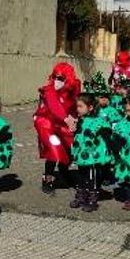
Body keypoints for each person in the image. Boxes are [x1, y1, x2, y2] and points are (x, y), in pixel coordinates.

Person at [34, 63, 80, 194]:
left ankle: (64, 172)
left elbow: (76, 102)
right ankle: (48, 179)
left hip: (64, 122)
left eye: (61, 78)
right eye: (55, 77)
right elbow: (54, 105)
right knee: (54, 150)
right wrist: (67, 119)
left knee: (68, 147)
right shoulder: (49, 89)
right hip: (46, 121)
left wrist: (75, 117)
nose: (57, 80)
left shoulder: (74, 86)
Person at [70, 92, 113, 212]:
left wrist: (109, 151)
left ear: (90, 108)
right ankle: (82, 195)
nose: (77, 109)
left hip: (93, 156)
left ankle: (93, 199)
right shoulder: (80, 120)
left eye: (80, 106)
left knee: (92, 177)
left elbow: (107, 135)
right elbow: (79, 135)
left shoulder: (98, 122)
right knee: (81, 176)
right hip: (82, 155)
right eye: (77, 106)